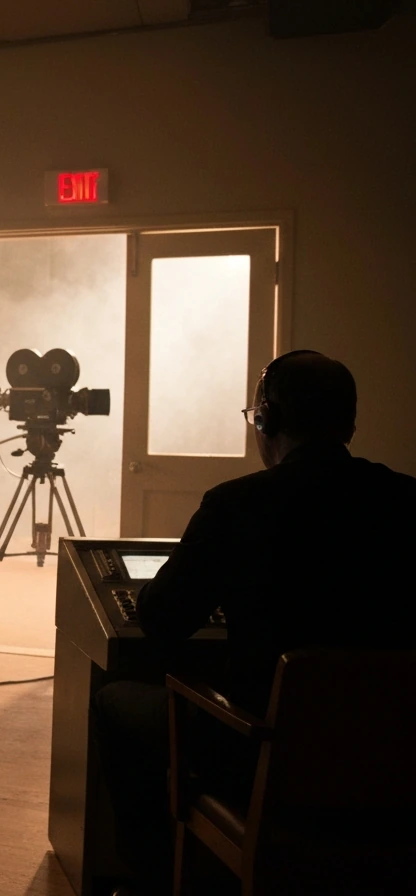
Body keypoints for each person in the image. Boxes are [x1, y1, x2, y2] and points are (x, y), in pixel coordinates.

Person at [93, 349, 416, 895]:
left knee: (117, 698)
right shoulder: (408, 502)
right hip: (392, 761)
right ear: (350, 423)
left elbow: (162, 619)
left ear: (266, 419)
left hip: (261, 755)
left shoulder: (237, 504)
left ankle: (152, 876)